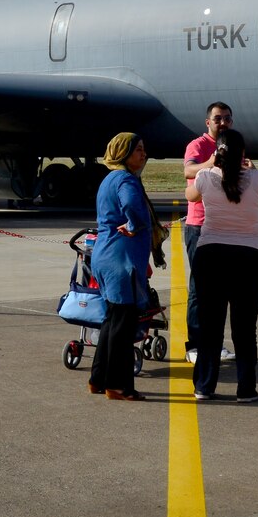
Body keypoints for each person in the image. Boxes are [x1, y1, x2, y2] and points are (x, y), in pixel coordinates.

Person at [187, 128, 258, 402]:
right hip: (249, 257)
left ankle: (204, 386)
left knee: (210, 327)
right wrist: (255, 172)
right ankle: (246, 388)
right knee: (244, 329)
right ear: (243, 153)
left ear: (217, 152)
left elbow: (190, 195)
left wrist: (209, 166)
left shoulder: (206, 177)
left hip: (212, 256)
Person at [89, 132, 153, 401]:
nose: (143, 154)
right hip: (121, 259)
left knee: (112, 320)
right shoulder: (126, 179)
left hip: (105, 255)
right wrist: (134, 224)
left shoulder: (109, 178)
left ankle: (99, 378)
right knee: (124, 325)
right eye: (137, 149)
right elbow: (131, 207)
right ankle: (118, 385)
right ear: (123, 153)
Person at [180, 102, 233, 365]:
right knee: (199, 289)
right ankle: (195, 344)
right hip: (198, 225)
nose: (222, 123)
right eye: (217, 118)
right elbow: (188, 170)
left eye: (226, 119)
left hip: (222, 223)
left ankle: (216, 344)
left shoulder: (231, 144)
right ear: (207, 122)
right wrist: (210, 162)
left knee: (220, 290)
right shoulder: (198, 145)